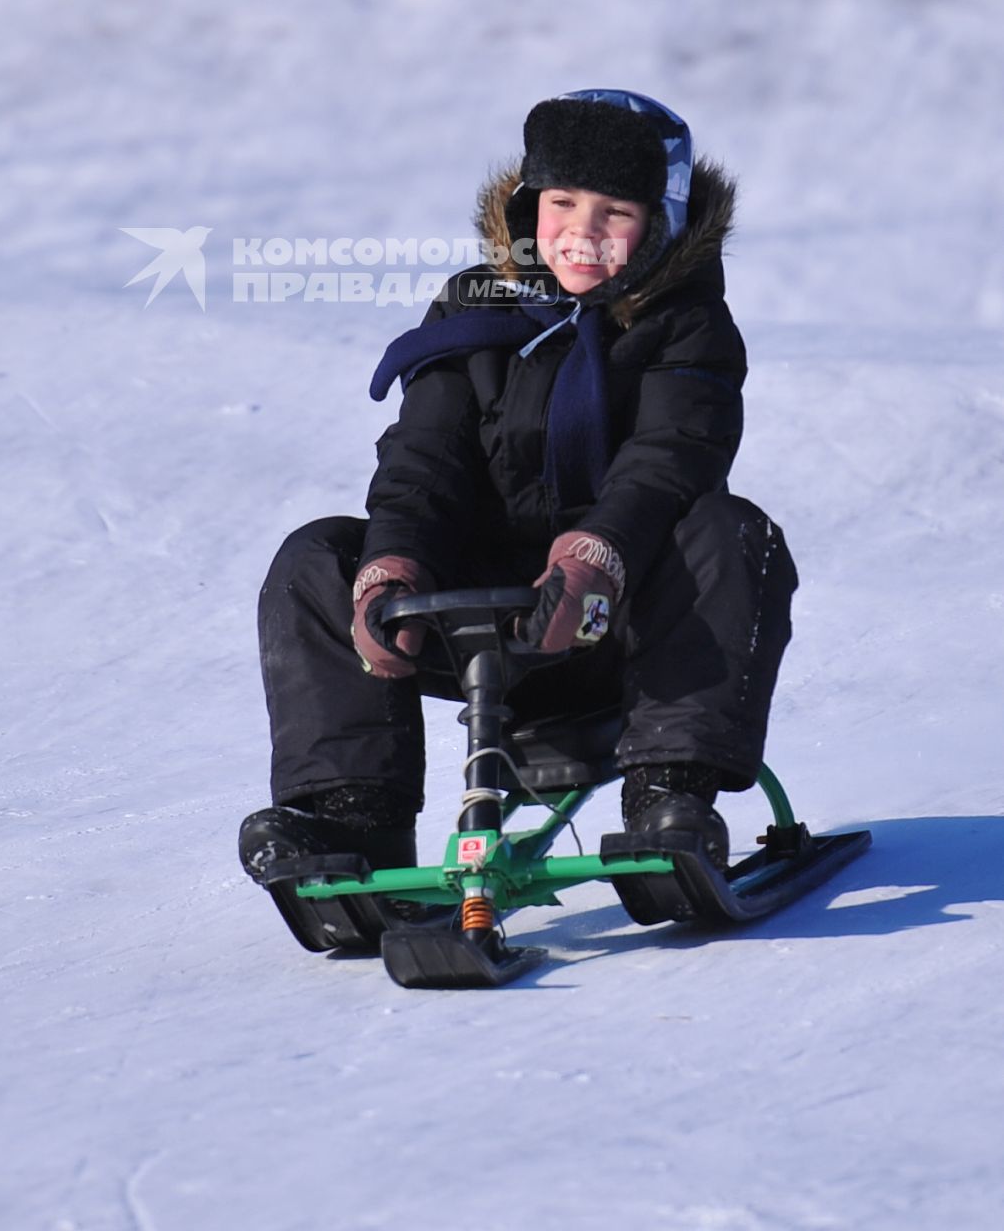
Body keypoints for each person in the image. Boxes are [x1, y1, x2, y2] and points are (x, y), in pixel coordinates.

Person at [240, 89, 798, 945]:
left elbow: (670, 462)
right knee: (319, 556)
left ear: (662, 223)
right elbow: (424, 461)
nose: (582, 228)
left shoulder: (690, 327)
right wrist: (394, 569)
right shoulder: (475, 309)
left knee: (731, 532)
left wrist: (594, 560)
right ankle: (352, 815)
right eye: (562, 202)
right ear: (526, 206)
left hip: (620, 634)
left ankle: (667, 799)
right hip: (471, 631)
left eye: (616, 211)